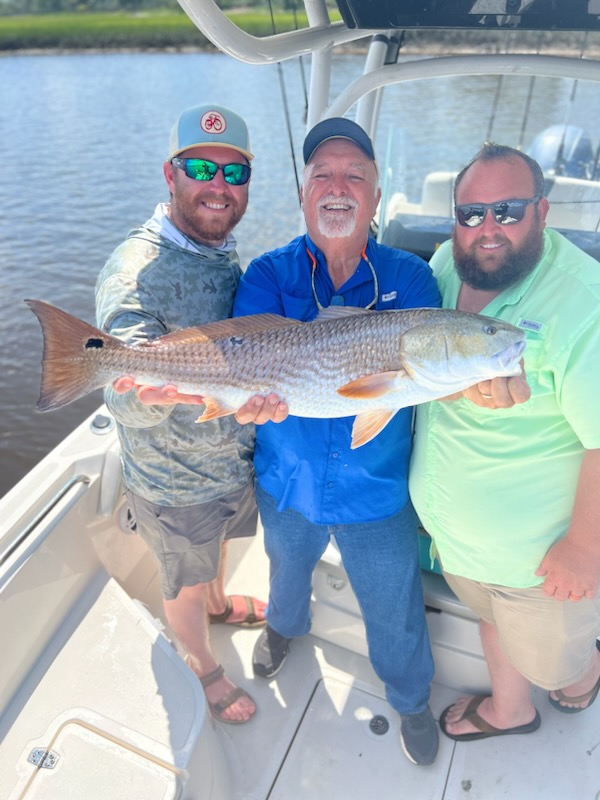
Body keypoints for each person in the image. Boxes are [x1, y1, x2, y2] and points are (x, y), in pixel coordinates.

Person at [233, 117, 442, 766]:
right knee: (284, 573)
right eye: (322, 174)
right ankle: (282, 630)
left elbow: (425, 376)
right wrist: (243, 401)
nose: (337, 186)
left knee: (394, 607)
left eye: (355, 175)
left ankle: (410, 699)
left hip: (374, 492)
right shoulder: (267, 274)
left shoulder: (413, 280)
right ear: (302, 194)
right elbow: (242, 361)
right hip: (286, 482)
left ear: (376, 196)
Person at [410, 142, 600, 742]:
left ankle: (585, 679)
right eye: (471, 213)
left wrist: (584, 549)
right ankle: (509, 710)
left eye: (508, 210)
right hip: (459, 544)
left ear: (542, 211)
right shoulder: (448, 263)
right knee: (489, 619)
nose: (487, 228)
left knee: (555, 665)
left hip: (540, 564)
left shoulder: (586, 303)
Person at [95, 103, 267, 725]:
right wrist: (147, 391)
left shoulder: (213, 249)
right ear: (170, 174)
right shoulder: (135, 271)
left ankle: (218, 605)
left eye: (233, 173)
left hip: (229, 463)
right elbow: (117, 387)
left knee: (214, 559)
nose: (218, 186)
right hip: (176, 483)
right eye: (200, 169)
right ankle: (201, 663)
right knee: (185, 583)